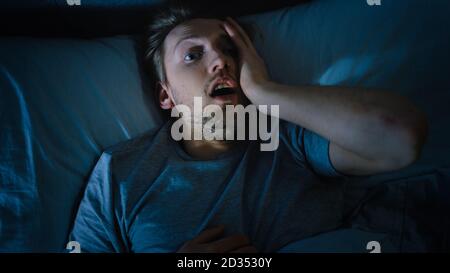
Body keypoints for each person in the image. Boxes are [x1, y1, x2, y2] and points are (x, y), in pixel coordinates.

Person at [69, 3, 431, 253]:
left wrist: (266, 91)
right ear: (166, 96)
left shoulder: (290, 138)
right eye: (193, 55)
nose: (220, 61)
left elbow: (401, 137)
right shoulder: (121, 173)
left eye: (230, 51)